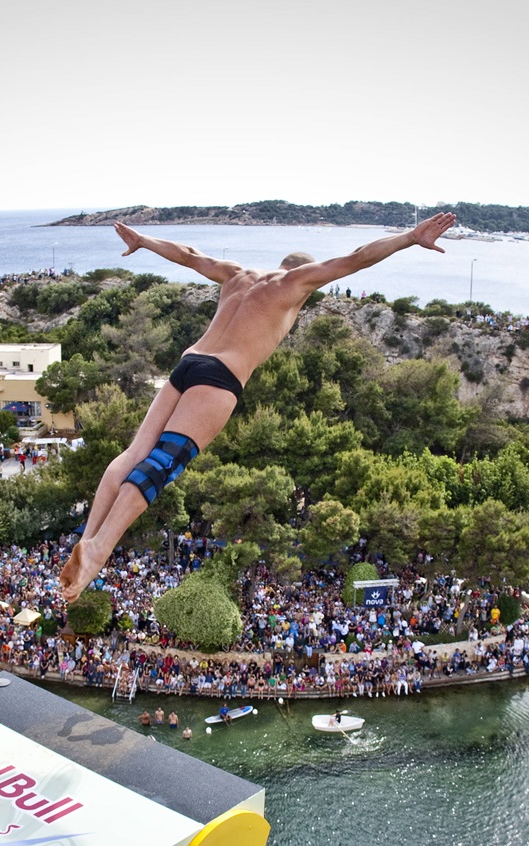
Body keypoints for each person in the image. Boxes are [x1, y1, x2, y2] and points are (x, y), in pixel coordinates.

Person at [59, 213, 456, 602]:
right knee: (164, 462)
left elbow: (189, 254)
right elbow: (355, 258)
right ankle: (98, 550)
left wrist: (143, 240)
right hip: (219, 376)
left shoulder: (237, 275)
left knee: (133, 454)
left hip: (188, 362)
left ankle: (89, 537)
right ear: (306, 275)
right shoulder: (296, 282)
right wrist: (409, 237)